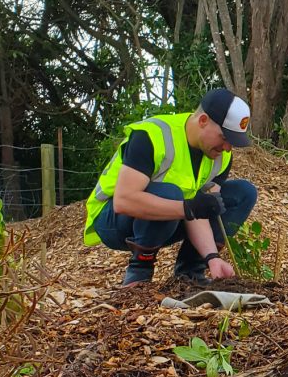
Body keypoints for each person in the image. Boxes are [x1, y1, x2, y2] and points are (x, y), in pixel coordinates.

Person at [83, 88, 259, 287]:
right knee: (171, 194)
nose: (227, 148)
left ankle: (192, 272)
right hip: (113, 221)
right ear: (203, 121)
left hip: (168, 217)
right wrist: (187, 208)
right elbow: (123, 201)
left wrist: (212, 258)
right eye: (225, 137)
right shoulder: (151, 136)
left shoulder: (220, 157)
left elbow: (202, 209)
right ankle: (140, 272)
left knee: (243, 194)